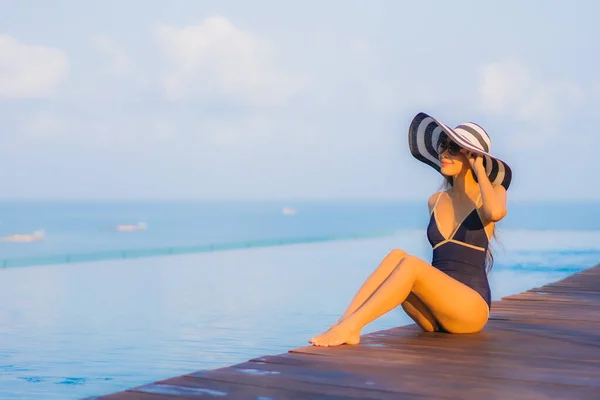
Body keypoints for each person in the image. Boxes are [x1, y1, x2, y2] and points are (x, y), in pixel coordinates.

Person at [309, 112, 512, 347]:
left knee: (413, 265)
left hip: (470, 310)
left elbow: (496, 214)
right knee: (397, 256)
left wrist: (478, 167)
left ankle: (352, 327)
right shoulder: (435, 201)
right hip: (433, 315)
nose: (444, 153)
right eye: (443, 145)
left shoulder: (494, 193)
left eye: (453, 148)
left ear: (474, 156)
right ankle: (344, 324)